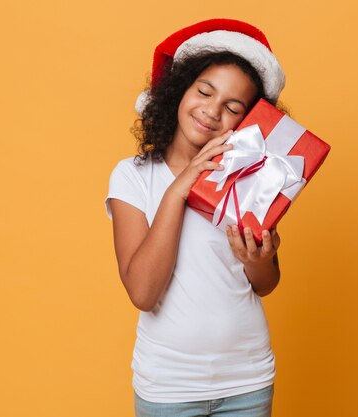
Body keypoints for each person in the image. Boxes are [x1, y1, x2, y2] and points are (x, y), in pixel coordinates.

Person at [105, 18, 287, 417]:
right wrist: (181, 186)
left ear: (248, 123)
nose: (211, 111)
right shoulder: (133, 176)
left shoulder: (251, 181)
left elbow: (265, 284)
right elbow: (143, 293)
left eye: (232, 107)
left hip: (248, 380)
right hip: (169, 386)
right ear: (178, 92)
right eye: (204, 91)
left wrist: (258, 262)